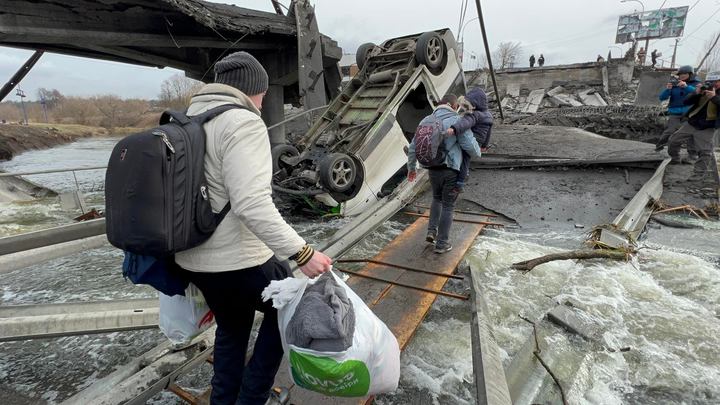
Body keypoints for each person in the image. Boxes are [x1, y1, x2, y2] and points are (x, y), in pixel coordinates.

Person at [174, 51, 332, 405]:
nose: (262, 103)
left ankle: (225, 399)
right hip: (238, 260)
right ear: (252, 90)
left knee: (232, 327)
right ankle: (252, 397)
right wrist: (302, 253)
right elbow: (251, 204)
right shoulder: (242, 122)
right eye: (262, 94)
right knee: (290, 309)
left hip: (192, 260)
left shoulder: (187, 120)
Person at [406, 94, 481, 254]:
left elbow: (413, 147)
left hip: (432, 168)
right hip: (450, 169)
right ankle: (442, 244)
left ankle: (431, 232)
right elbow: (470, 147)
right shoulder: (456, 120)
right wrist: (479, 151)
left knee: (436, 199)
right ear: (454, 106)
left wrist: (411, 168)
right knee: (448, 205)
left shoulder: (425, 120)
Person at [666, 71, 720, 185]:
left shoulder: (715, 94)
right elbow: (686, 101)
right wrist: (696, 93)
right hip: (692, 122)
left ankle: (698, 174)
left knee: (705, 151)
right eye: (710, 82)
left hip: (708, 126)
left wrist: (714, 97)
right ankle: (675, 158)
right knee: (673, 140)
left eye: (716, 82)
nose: (712, 84)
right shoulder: (704, 90)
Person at [446, 87, 493, 191]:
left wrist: (454, 128)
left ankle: (458, 181)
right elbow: (488, 133)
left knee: (455, 148)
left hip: (472, 138)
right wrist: (484, 146)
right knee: (466, 160)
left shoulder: (475, 115)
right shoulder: (489, 115)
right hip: (479, 141)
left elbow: (466, 123)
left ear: (476, 103)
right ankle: (460, 183)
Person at [656, 65, 700, 155]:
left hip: (689, 113)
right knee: (670, 131)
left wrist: (686, 87)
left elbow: (698, 94)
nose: (682, 76)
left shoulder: (696, 83)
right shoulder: (674, 83)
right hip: (674, 112)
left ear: (690, 74)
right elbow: (662, 98)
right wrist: (668, 89)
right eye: (680, 74)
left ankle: (692, 154)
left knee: (690, 134)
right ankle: (659, 146)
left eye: (685, 73)